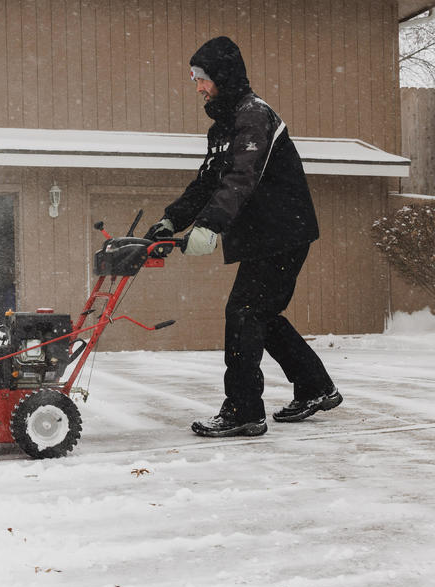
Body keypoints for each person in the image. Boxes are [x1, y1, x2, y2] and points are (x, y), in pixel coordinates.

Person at [144, 36, 342, 438]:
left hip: (283, 231)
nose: (198, 86)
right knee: (260, 314)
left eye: (202, 78)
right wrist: (171, 221)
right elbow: (206, 183)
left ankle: (244, 409)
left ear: (223, 76)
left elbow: (242, 177)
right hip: (265, 235)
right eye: (194, 79)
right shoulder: (224, 127)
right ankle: (315, 387)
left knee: (245, 313)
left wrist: (211, 225)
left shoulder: (255, 116)